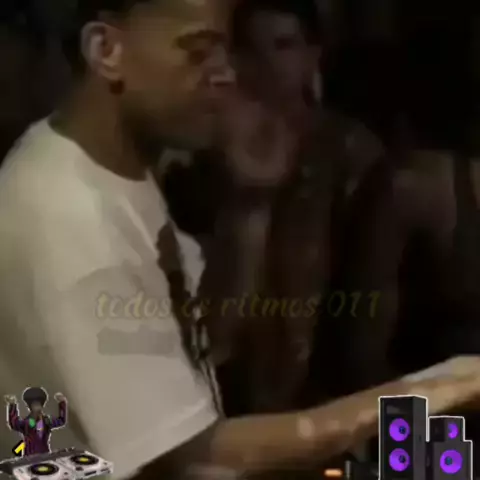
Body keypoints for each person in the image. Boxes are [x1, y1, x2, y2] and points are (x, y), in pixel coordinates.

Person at [1, 1, 480, 479]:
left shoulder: (118, 174)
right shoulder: (70, 212)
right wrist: (433, 389)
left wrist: (252, 209)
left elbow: (204, 360)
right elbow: (196, 456)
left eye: (225, 52)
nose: (227, 74)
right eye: (198, 52)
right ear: (107, 50)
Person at [212, 0, 385, 415]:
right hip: (225, 378)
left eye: (284, 46)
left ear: (312, 55)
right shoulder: (205, 149)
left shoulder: (350, 151)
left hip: (325, 381)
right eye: (252, 50)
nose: (268, 64)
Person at [5, 387, 67, 455]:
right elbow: (14, 423)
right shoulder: (26, 423)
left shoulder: (47, 421)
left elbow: (61, 421)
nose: (37, 408)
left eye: (38, 405)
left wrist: (62, 403)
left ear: (42, 406)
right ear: (30, 407)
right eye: (34, 405)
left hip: (44, 455)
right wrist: (12, 405)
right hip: (29, 456)